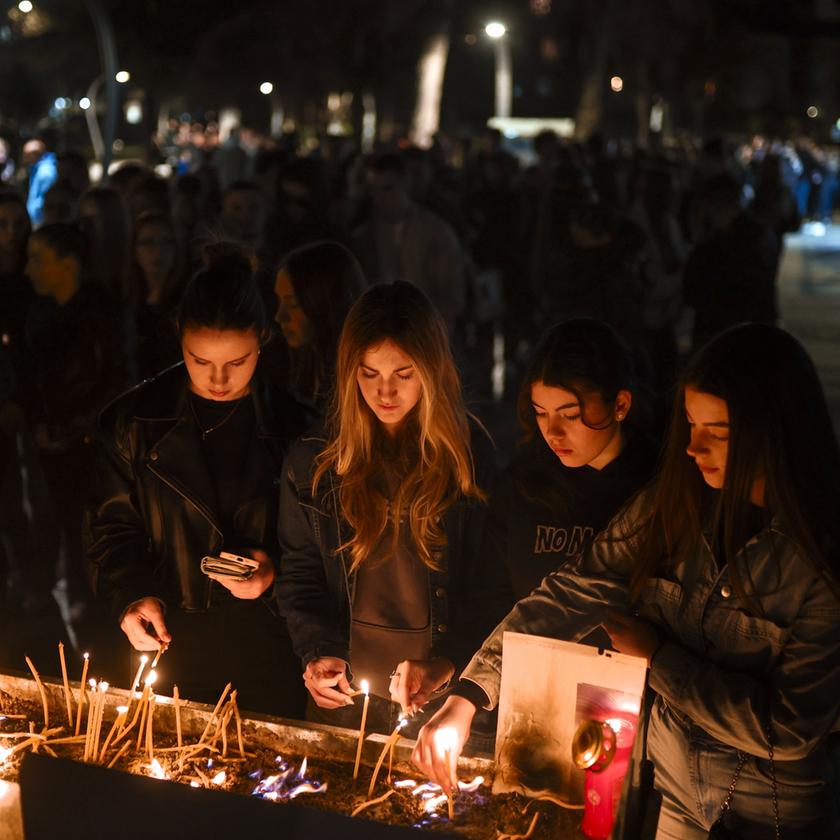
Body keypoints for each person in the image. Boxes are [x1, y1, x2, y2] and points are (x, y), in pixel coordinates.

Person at [414, 323, 840, 840]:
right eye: (689, 424)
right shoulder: (672, 504)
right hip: (678, 794)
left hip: (771, 805)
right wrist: (470, 694)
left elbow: (791, 727)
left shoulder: (816, 557)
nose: (693, 447)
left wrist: (658, 658)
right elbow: (573, 592)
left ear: (772, 430)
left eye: (718, 432)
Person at [277, 281, 510, 740]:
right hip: (343, 704)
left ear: (431, 369)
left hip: (441, 705)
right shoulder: (316, 462)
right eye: (368, 373)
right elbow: (300, 573)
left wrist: (445, 664)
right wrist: (318, 653)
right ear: (348, 372)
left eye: (403, 374)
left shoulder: (466, 458)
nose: (385, 392)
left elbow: (493, 587)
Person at [86, 246, 311, 717]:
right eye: (200, 359)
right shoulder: (133, 422)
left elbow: (326, 548)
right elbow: (111, 530)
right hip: (170, 639)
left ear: (262, 340)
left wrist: (274, 572)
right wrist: (131, 597)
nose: (219, 379)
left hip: (268, 646)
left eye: (238, 361)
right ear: (178, 338)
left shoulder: (297, 428)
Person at [489, 318, 657, 602]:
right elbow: (493, 593)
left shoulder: (658, 484)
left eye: (570, 415)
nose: (552, 432)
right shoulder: (523, 486)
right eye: (541, 413)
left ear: (620, 405)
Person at [24, 222, 125, 620]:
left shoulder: (100, 317)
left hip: (87, 453)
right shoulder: (42, 315)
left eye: (38, 259)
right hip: (53, 450)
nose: (27, 269)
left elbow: (111, 386)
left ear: (68, 264)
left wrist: (69, 430)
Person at [352, 154, 465, 335]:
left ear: (405, 183)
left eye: (387, 188)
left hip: (427, 338)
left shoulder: (437, 232)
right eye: (374, 190)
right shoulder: (364, 236)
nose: (379, 197)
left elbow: (452, 296)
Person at [272, 239, 366, 410]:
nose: (279, 317)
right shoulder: (299, 363)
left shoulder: (360, 379)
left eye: (292, 304)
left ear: (325, 303)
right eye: (279, 301)